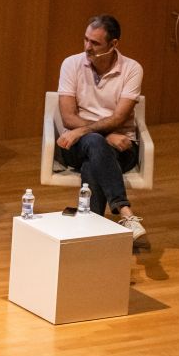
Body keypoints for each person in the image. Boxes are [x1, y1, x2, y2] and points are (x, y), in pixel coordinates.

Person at [56, 14, 147, 242]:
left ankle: (89, 234)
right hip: (76, 145)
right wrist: (105, 135)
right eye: (86, 40)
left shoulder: (132, 69)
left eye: (95, 43)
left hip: (122, 146)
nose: (87, 47)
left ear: (113, 44)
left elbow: (119, 118)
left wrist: (84, 130)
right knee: (95, 143)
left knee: (93, 162)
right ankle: (125, 212)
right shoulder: (71, 64)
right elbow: (68, 117)